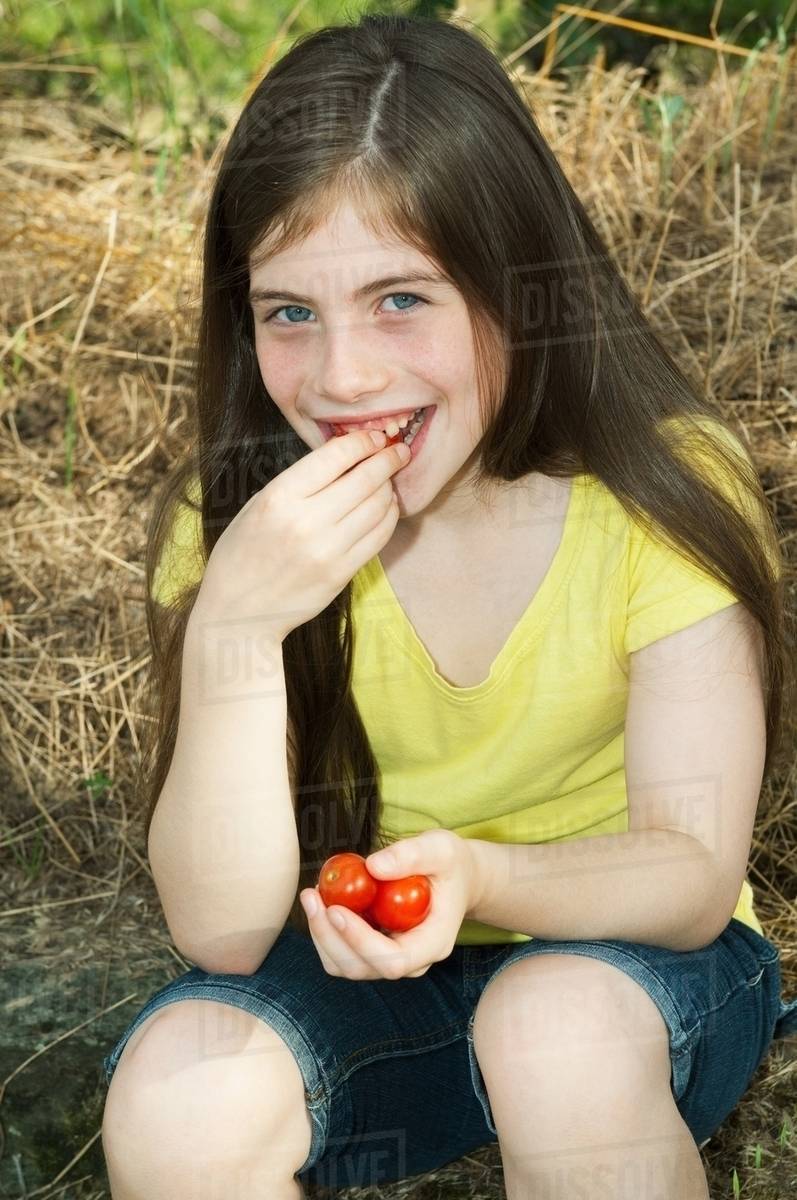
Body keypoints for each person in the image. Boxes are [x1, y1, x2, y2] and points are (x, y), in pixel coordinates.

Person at [99, 12, 797, 1200]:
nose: (341, 378)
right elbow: (220, 932)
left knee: (551, 1033)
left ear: (519, 285)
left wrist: (481, 878)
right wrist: (235, 628)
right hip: (371, 982)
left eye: (401, 300)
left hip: (627, 963)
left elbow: (684, 873)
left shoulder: (654, 496)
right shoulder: (236, 529)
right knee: (178, 1094)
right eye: (289, 312)